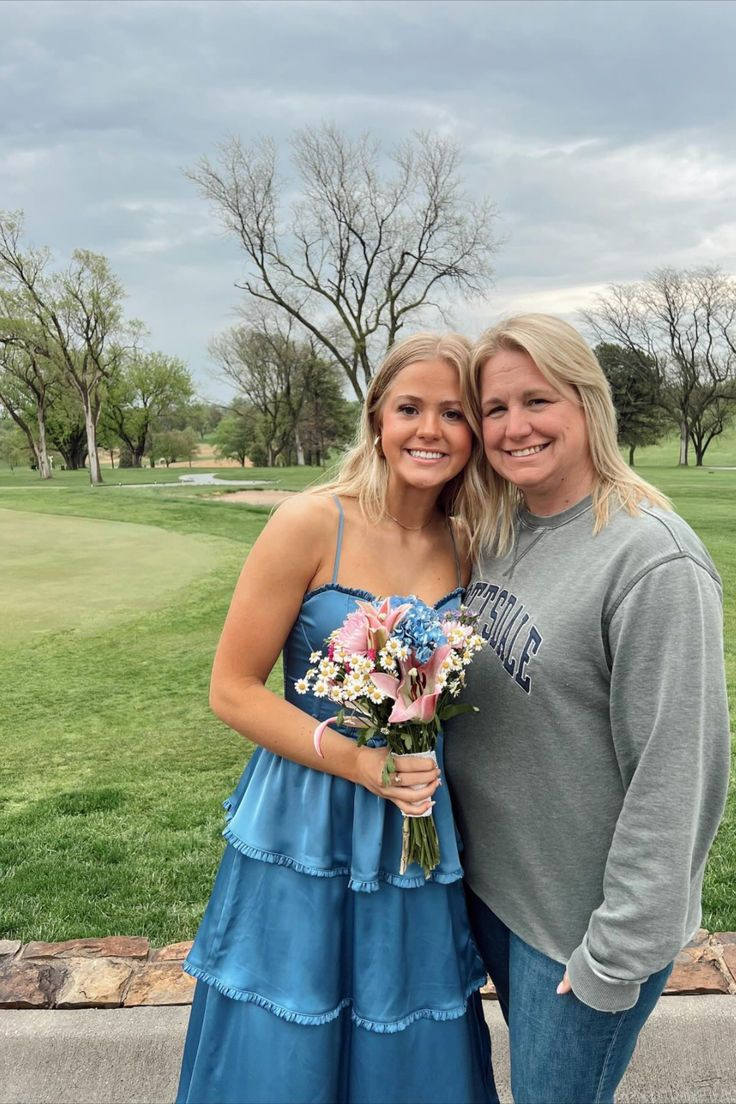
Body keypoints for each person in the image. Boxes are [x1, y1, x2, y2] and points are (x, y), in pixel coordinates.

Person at [176, 332, 499, 1104]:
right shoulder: (312, 522)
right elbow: (232, 688)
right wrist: (358, 762)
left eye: (454, 413)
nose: (430, 430)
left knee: (403, 1004)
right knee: (291, 1012)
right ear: (377, 420)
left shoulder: (470, 542)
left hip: (416, 815)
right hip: (304, 814)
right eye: (410, 408)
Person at [444, 313, 730, 1104]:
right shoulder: (504, 532)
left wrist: (614, 956)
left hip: (580, 934)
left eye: (538, 401)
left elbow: (679, 774)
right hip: (499, 897)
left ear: (587, 405)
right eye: (494, 408)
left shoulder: (650, 558)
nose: (514, 426)